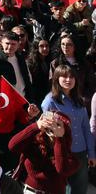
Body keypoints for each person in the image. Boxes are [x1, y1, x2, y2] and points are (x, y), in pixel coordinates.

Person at [41, 64, 95, 193]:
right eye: (64, 76)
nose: (68, 80)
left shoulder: (79, 101)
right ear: (56, 79)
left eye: (71, 77)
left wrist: (92, 154)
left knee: (80, 189)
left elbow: (86, 129)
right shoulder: (50, 101)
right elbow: (46, 131)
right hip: (61, 153)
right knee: (62, 189)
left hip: (80, 153)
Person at [8, 111, 73, 194]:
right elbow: (12, 146)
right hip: (28, 191)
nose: (53, 128)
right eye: (50, 124)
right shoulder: (34, 144)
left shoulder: (69, 156)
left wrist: (59, 138)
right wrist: (36, 126)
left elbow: (62, 169)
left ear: (65, 132)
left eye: (58, 125)